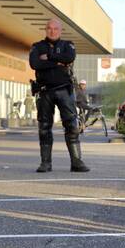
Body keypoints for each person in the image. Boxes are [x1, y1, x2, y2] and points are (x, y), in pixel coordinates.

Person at [30, 18, 89, 173]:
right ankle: (45, 163)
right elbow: (35, 64)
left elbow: (69, 58)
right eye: (49, 28)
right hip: (44, 91)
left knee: (71, 125)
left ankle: (76, 162)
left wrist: (48, 58)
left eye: (55, 28)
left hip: (65, 90)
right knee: (44, 127)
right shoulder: (37, 46)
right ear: (45, 29)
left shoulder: (67, 45)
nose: (52, 31)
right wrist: (58, 62)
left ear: (60, 30)